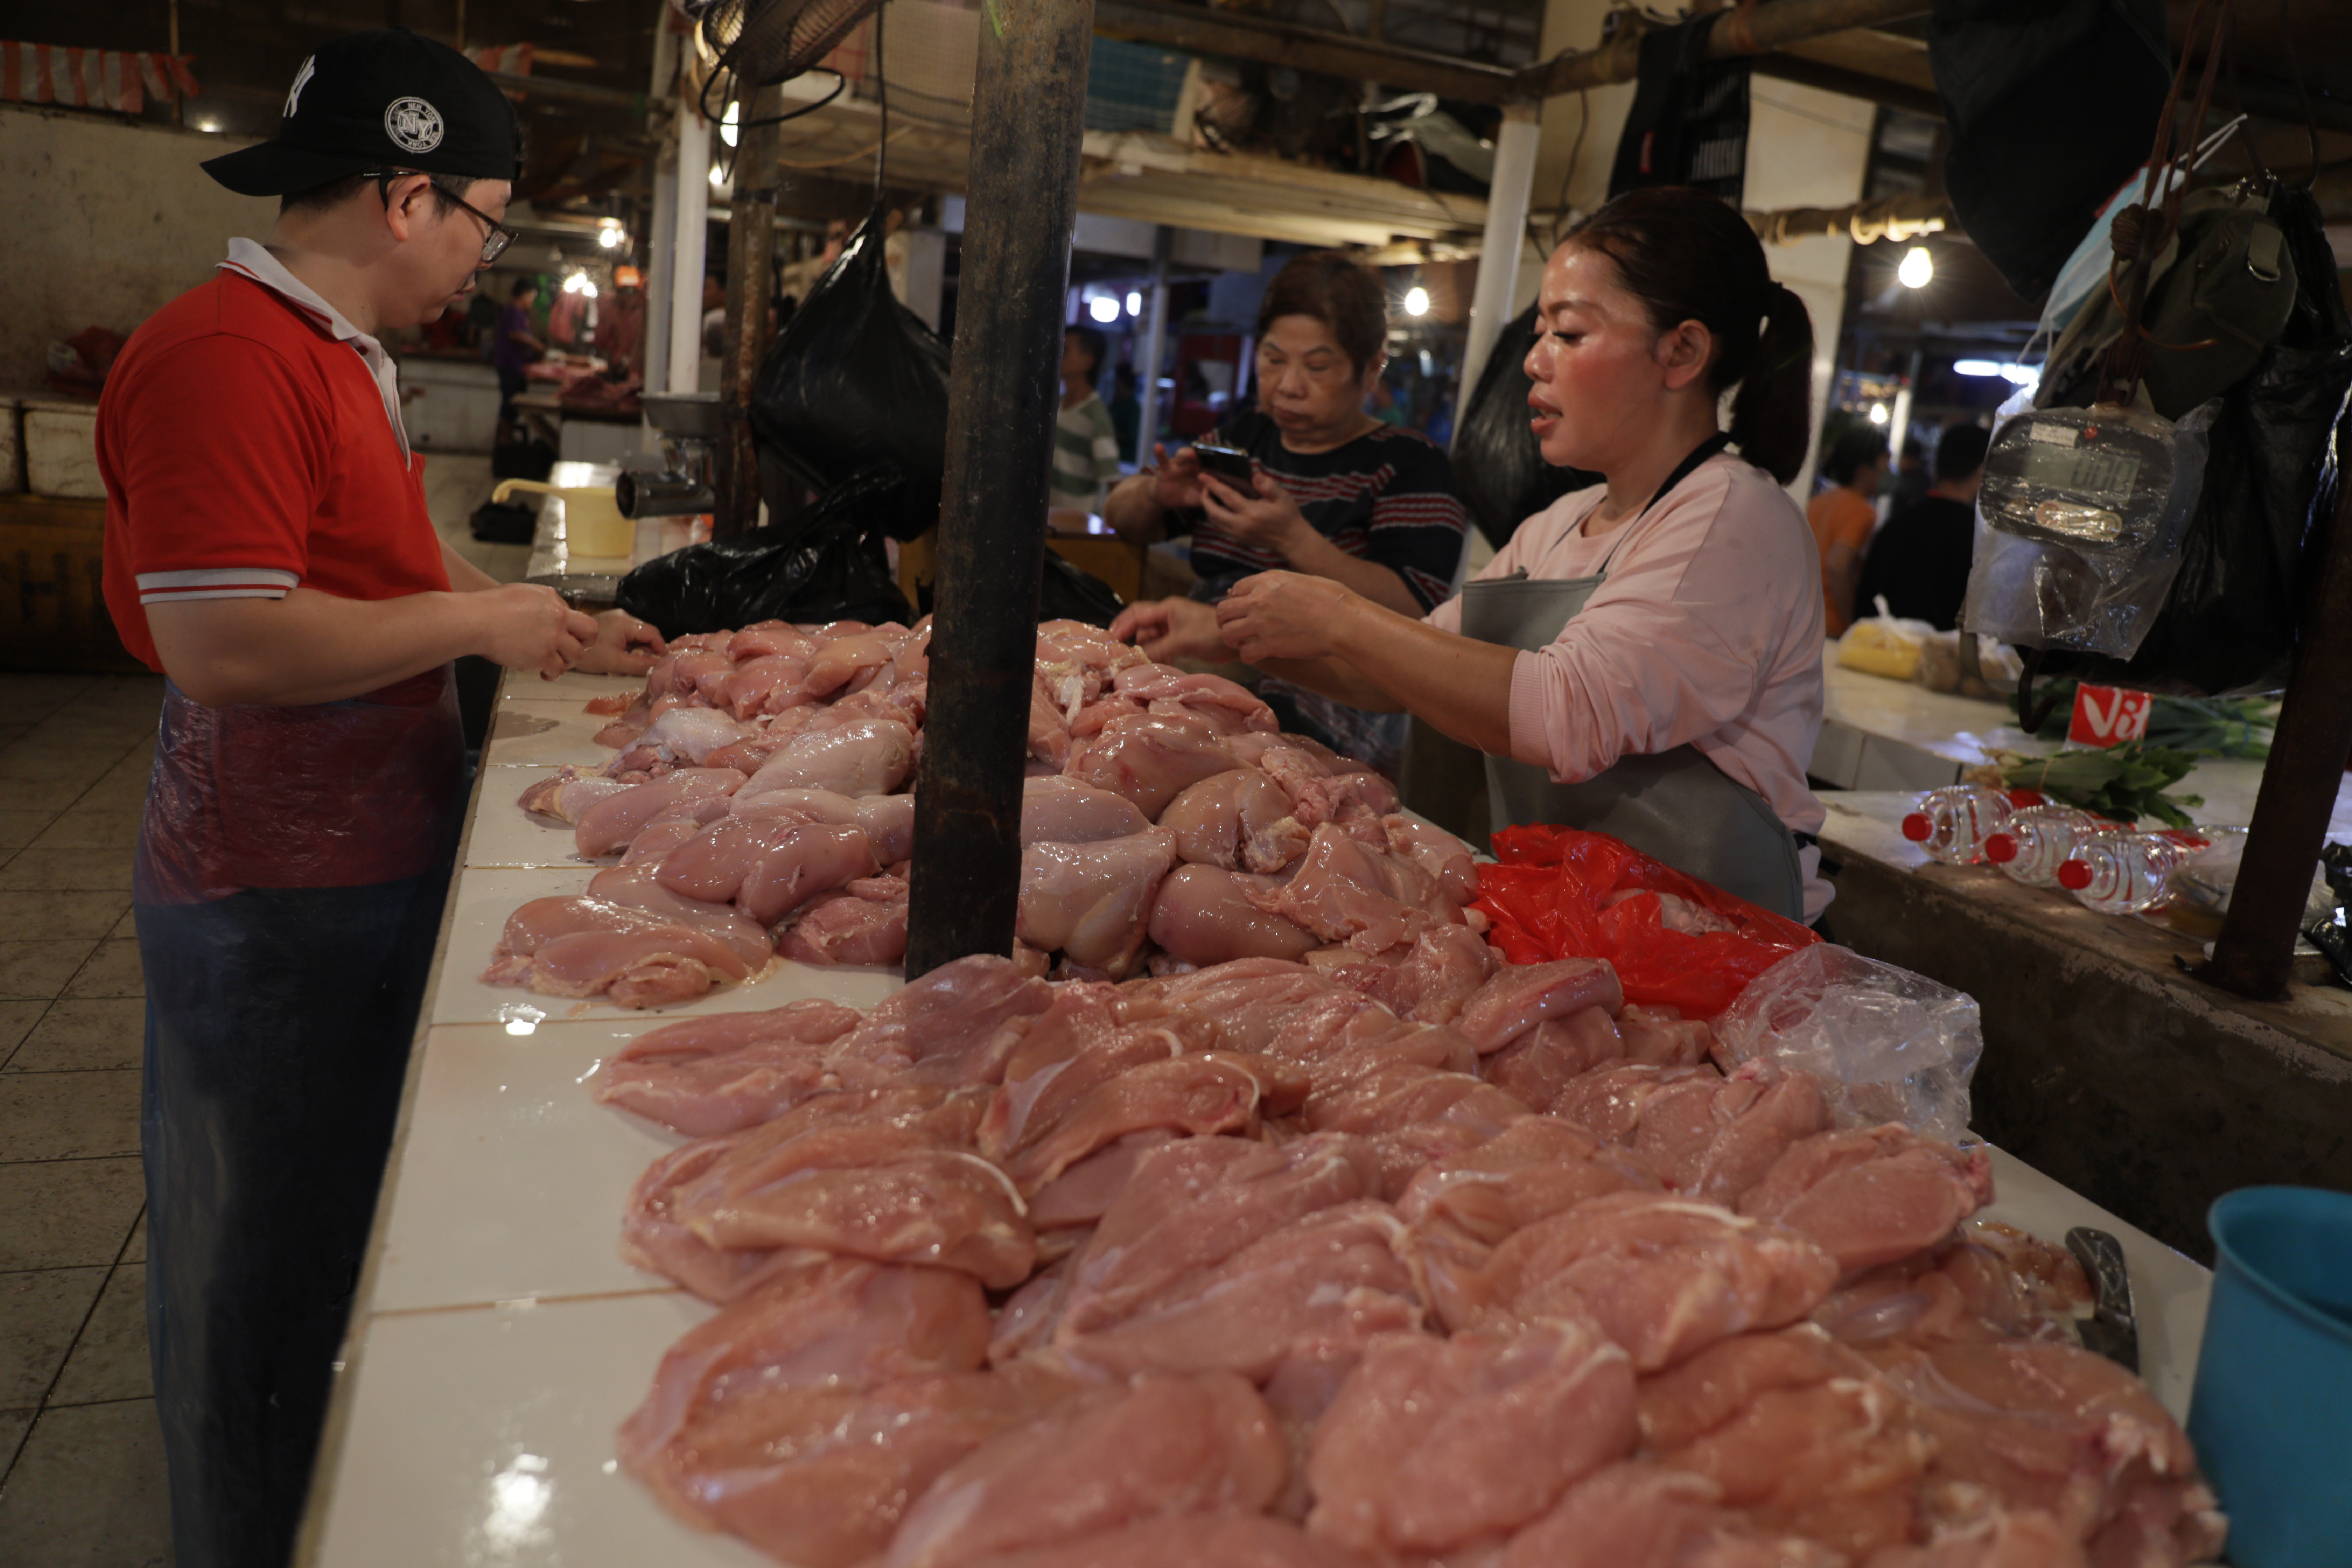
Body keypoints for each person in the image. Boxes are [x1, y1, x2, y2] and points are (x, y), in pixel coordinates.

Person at [94, 30, 665, 1568]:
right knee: (261, 1277)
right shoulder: (231, 356)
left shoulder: (339, 353)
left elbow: (371, 574)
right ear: (408, 196)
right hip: (270, 894)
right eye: (486, 218)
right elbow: (227, 639)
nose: (485, 256)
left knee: (341, 1232)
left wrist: (526, 614)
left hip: (356, 856)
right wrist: (483, 626)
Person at [1111, 186, 1832, 924]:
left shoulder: (1733, 518)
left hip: (1721, 945)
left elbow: (1567, 714)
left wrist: (1336, 613)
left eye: (1570, 334)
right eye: (1539, 331)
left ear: (1680, 352)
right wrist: (1222, 633)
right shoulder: (1558, 523)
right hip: (1579, 922)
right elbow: (1408, 671)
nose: (1534, 362)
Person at [1104, 250, 1470, 775]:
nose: (1289, 385)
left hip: (1331, 695)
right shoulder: (1243, 438)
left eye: (1317, 367)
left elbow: (1414, 609)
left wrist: (1294, 539)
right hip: (1207, 661)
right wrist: (1158, 494)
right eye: (1274, 360)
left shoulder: (1411, 466)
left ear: (1371, 369)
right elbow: (1122, 515)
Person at [1855, 421, 1990, 630]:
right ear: (1982, 473)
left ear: (1937, 467)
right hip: (1944, 658)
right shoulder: (1980, 539)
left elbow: (1866, 597)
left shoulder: (1898, 523)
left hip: (1880, 652)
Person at [1806, 425, 1888, 635]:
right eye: (1884, 463)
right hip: (1831, 623)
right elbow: (1837, 566)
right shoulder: (1862, 511)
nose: (1888, 471)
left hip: (1801, 618)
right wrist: (1854, 623)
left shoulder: (1819, 502)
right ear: (1863, 470)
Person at [1052, 324, 1122, 514]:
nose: (1058, 355)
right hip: (1049, 518)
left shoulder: (1096, 418)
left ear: (1088, 361)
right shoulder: (1055, 404)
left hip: (1074, 524)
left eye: (1065, 350)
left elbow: (1112, 480)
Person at [492, 274, 543, 438]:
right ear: (524, 294)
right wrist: (535, 344)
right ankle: (505, 445)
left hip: (516, 367)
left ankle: (506, 445)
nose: (532, 302)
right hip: (510, 367)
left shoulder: (519, 313)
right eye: (532, 297)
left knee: (512, 409)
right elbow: (514, 334)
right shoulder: (513, 310)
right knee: (509, 409)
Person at [594, 263, 648, 382]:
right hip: (617, 360)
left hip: (633, 366)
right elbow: (602, 337)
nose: (628, 297)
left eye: (631, 294)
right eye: (624, 293)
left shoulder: (640, 310)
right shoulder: (609, 304)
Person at [1108, 360, 1142, 465]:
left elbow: (1132, 437)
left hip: (1125, 462)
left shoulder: (1133, 407)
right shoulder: (1117, 403)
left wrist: (1108, 432)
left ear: (1121, 382)